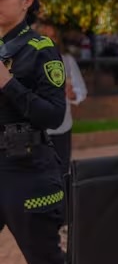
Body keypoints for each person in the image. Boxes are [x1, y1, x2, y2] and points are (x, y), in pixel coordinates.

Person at [0, 0, 95, 264]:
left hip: (26, 171)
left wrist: (8, 83)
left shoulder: (41, 49)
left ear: (26, 1)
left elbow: (54, 115)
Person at [36, 19, 88, 183]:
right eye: (45, 36)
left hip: (62, 128)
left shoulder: (67, 61)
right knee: (40, 176)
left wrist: (72, 95)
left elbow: (81, 91)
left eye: (53, 36)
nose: (50, 41)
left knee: (62, 174)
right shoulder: (29, 62)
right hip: (37, 130)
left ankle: (64, 199)